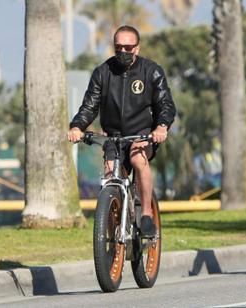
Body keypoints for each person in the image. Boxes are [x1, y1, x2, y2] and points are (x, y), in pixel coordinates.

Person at [67, 25, 176, 236]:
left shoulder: (151, 71)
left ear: (137, 48)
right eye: (118, 47)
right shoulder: (102, 72)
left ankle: (145, 214)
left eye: (128, 47)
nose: (123, 52)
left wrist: (161, 127)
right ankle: (109, 234)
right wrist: (77, 126)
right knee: (109, 175)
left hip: (142, 134)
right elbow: (90, 106)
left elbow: (166, 105)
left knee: (137, 160)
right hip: (114, 137)